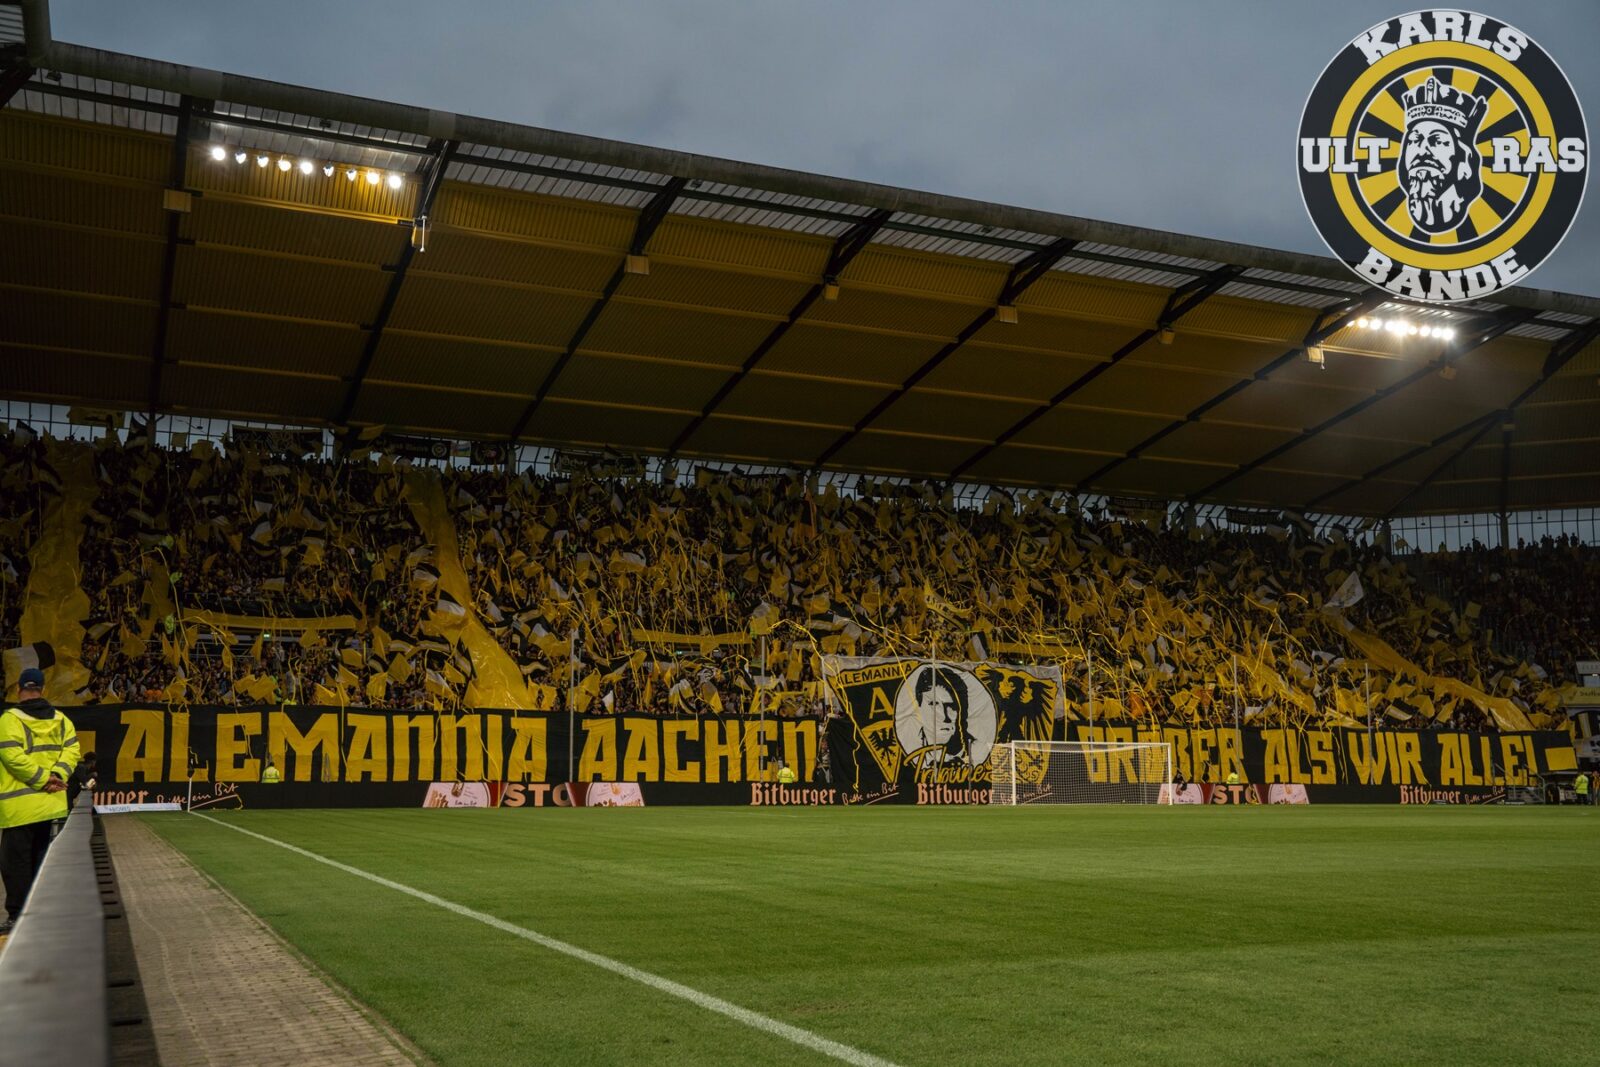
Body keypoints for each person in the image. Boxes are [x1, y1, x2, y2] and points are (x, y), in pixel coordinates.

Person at [0, 668, 82, 932]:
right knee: (41, 862)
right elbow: (72, 751)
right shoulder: (62, 720)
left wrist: (41, 779)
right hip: (51, 805)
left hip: (19, 807)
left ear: (18, 688)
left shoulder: (9, 719)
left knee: (16, 864)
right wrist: (56, 775)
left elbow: (12, 757)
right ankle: (39, 913)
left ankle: (18, 916)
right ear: (43, 689)